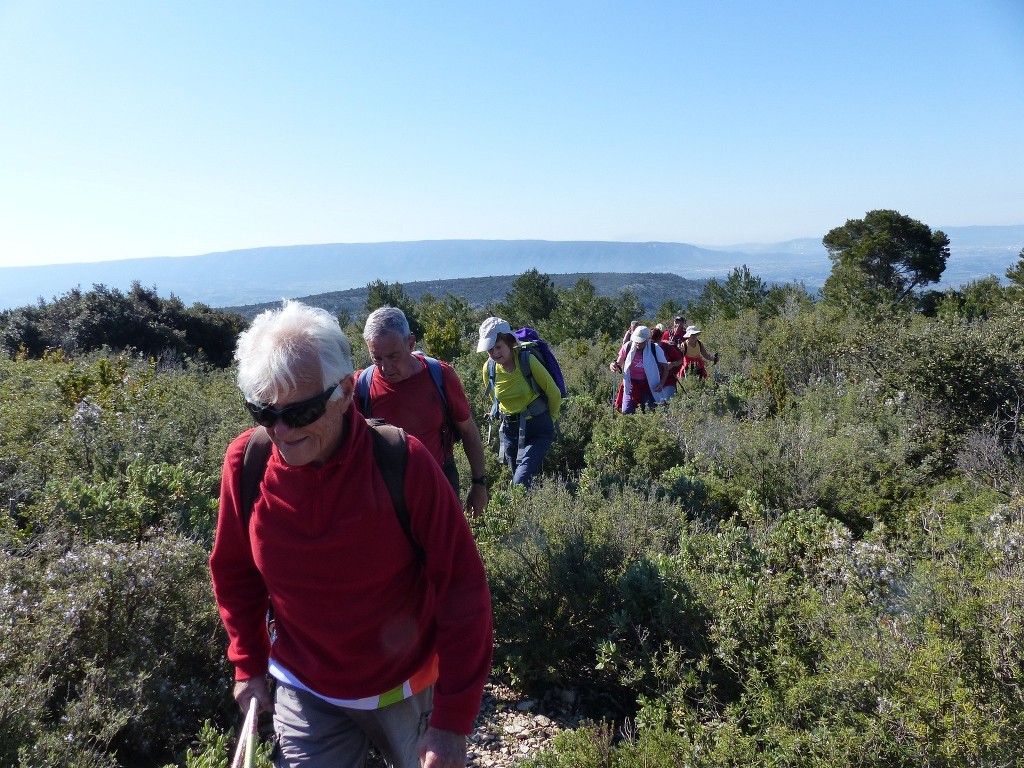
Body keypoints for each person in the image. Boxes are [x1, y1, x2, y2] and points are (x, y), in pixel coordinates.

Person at [209, 300, 493, 768]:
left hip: (405, 686)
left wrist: (451, 724)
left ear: (344, 390)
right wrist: (248, 662)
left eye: (299, 413)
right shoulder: (247, 464)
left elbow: (462, 588)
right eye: (263, 411)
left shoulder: (404, 462)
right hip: (306, 688)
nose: (280, 430)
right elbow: (235, 571)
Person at [358, 306, 488, 516]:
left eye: (393, 356)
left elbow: (468, 430)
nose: (386, 368)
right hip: (388, 495)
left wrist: (479, 484)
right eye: (377, 359)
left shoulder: (440, 375)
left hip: (440, 482)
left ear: (410, 343)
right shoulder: (361, 387)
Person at [477, 317, 562, 487]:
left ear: (509, 342)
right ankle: (531, 510)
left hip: (538, 428)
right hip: (510, 431)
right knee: (521, 480)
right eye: (490, 350)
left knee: (520, 482)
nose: (494, 354)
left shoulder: (527, 361)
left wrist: (550, 421)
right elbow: (495, 398)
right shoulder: (489, 369)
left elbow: (554, 393)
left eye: (498, 347)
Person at [609, 325, 668, 413]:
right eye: (636, 341)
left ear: (647, 340)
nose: (638, 343)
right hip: (631, 383)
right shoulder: (628, 346)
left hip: (648, 384)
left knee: (648, 410)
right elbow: (619, 364)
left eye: (641, 341)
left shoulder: (655, 349)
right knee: (627, 411)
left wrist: (661, 384)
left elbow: (665, 367)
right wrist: (613, 365)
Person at [653, 327, 684, 399]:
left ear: (660, 338)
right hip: (653, 382)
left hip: (669, 381)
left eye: (657, 341)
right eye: (653, 342)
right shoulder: (648, 349)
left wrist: (673, 364)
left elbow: (680, 361)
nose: (655, 345)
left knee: (666, 401)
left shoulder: (669, 347)